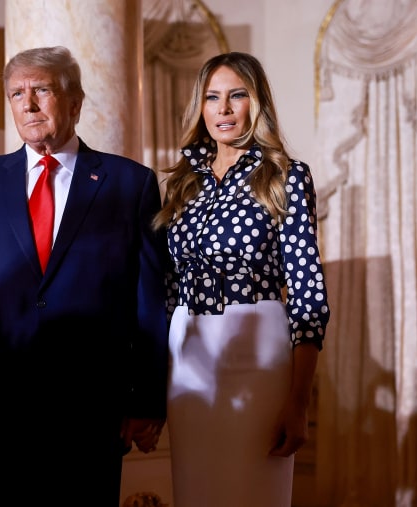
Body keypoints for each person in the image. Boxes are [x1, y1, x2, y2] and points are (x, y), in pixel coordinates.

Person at [0, 46, 170, 507]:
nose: (28, 104)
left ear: (75, 102)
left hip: (91, 411)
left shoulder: (130, 184)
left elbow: (150, 301)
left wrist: (146, 400)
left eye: (42, 90)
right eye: (17, 93)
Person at [153, 52, 331, 507]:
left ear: (257, 104)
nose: (224, 109)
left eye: (237, 96)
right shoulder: (181, 184)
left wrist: (299, 402)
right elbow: (168, 291)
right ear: (201, 108)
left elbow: (308, 293)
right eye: (212, 98)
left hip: (257, 349)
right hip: (187, 353)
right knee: (195, 492)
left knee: (256, 491)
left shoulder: (285, 176)